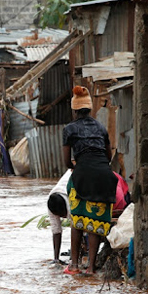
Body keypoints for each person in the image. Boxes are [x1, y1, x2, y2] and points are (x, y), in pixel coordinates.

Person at [62, 86, 119, 275]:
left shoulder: (69, 129)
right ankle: (92, 268)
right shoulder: (101, 128)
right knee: (95, 223)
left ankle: (75, 266)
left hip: (82, 175)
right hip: (104, 175)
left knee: (77, 220)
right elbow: (109, 155)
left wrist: (80, 165)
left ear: (74, 109)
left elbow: (66, 162)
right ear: (89, 108)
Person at [48, 169, 130, 263]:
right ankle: (84, 258)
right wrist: (56, 259)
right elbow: (56, 230)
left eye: (64, 215)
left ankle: (89, 259)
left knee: (89, 224)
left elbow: (81, 225)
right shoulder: (51, 204)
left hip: (111, 187)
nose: (63, 218)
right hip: (92, 182)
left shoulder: (74, 198)